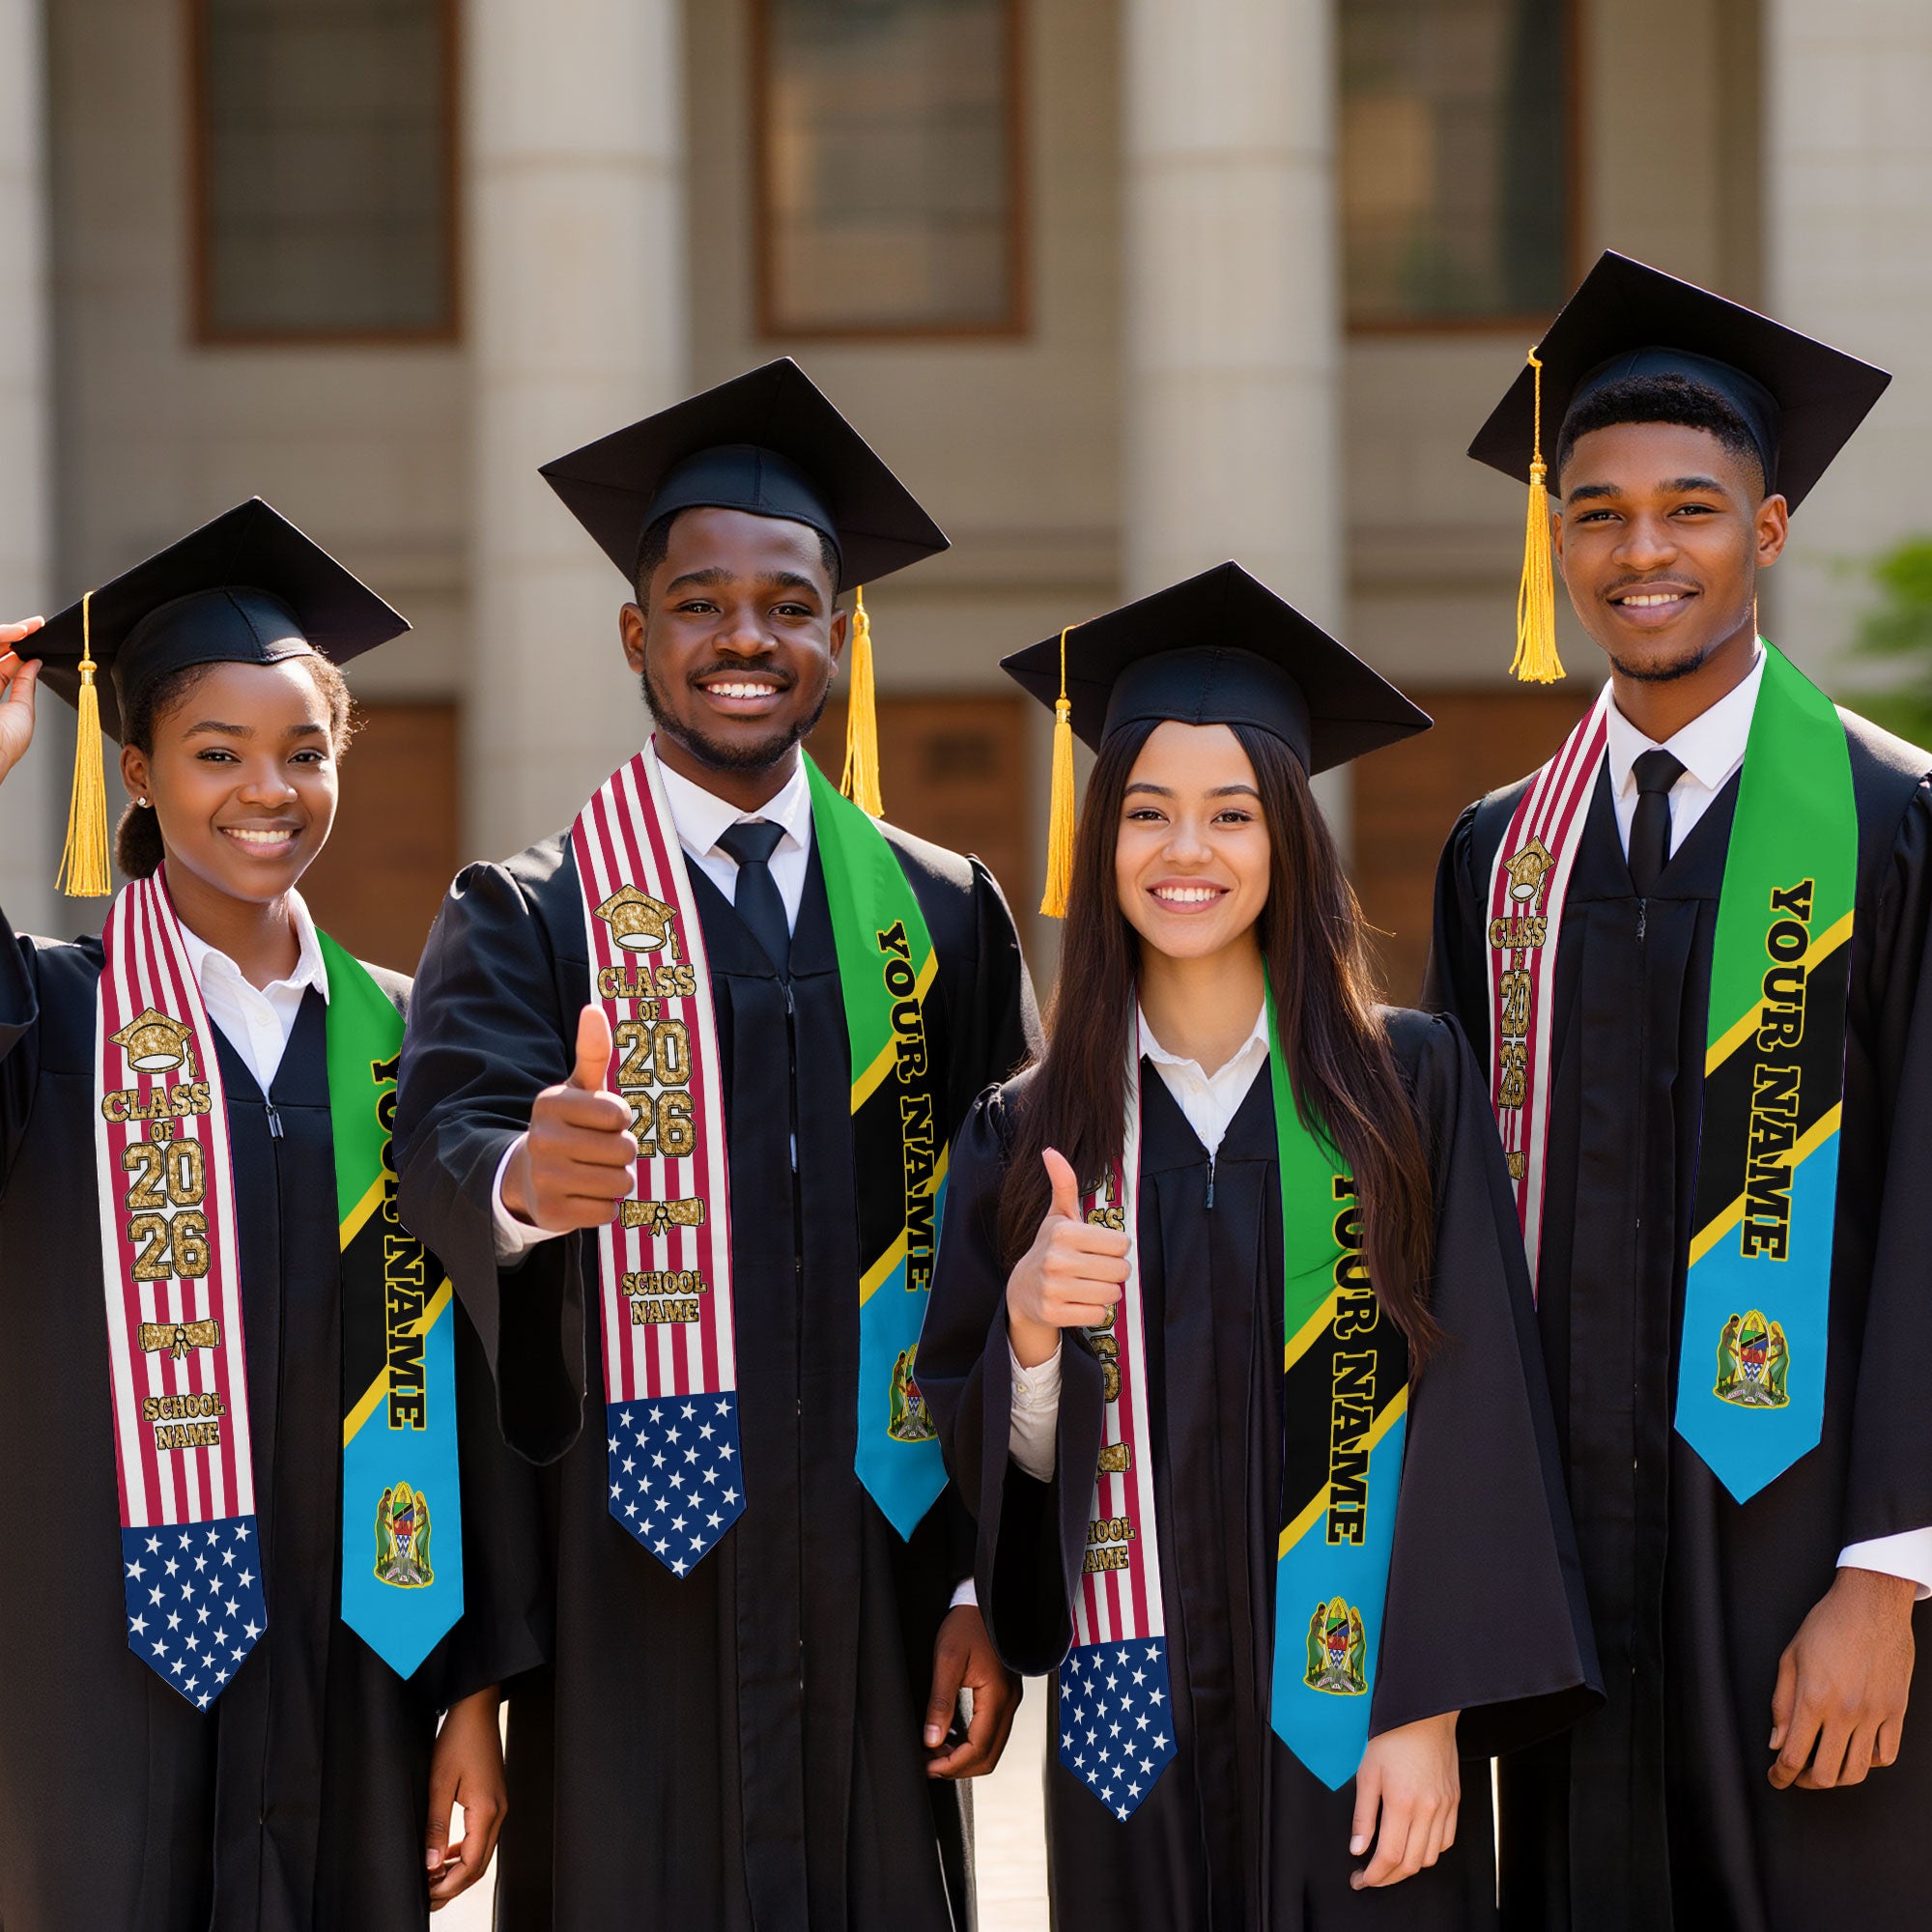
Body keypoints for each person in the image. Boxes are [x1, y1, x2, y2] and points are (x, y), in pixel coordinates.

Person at [393, 359, 1038, 1929]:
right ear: (638, 634)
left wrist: (980, 1587)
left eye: (788, 603)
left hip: (881, 1579)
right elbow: (439, 1148)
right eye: (698, 603)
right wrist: (523, 1183)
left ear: (840, 634)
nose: (744, 638)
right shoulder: (530, 914)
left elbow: (1013, 1250)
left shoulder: (942, 913)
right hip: (630, 1592)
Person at [917, 562, 1599, 1930]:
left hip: (1365, 1732)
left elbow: (1480, 1412)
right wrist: (1033, 1342)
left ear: (1288, 838)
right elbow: (992, 1469)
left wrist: (1427, 1707)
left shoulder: (1410, 1089)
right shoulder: (1029, 1130)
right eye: (1149, 813)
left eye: (1231, 814)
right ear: (1100, 841)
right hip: (1132, 1739)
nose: (1188, 853)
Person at [1427, 251, 1932, 1931]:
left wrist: (1890, 1572)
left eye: (1692, 508)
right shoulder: (1502, 857)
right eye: (1598, 511)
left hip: (1805, 1558)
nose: (1643, 551)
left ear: (1769, 531)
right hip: (1563, 1566)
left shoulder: (1893, 824)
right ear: (1554, 539)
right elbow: (1446, 1227)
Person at [0, 498, 546, 1930]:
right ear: (134, 771)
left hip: (359, 1656)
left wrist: (475, 1698)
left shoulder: (413, 1042)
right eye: (216, 754)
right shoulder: (54, 1020)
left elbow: (484, 1382)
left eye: (305, 753)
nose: (268, 790)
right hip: (92, 1674)